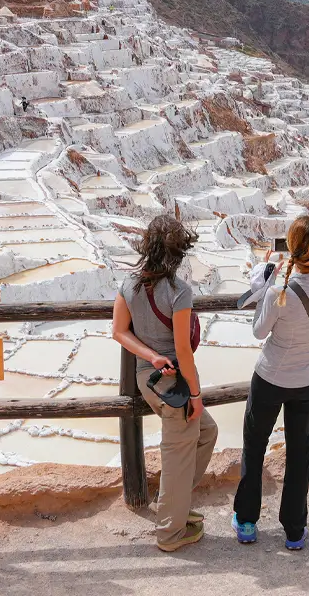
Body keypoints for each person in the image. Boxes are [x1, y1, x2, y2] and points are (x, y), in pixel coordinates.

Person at [231, 207, 309, 550]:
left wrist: (277, 273)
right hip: (306, 380)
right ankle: (295, 530)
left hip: (270, 377)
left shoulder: (277, 291)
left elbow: (258, 331)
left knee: (255, 447)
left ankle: (248, 521)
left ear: (293, 249)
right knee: (299, 453)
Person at [111, 215, 217, 552]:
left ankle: (177, 504)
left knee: (206, 432)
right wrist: (196, 395)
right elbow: (183, 350)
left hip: (148, 378)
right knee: (176, 455)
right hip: (175, 384)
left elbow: (119, 332)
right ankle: (170, 533)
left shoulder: (129, 284)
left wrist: (150, 356)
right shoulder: (179, 292)